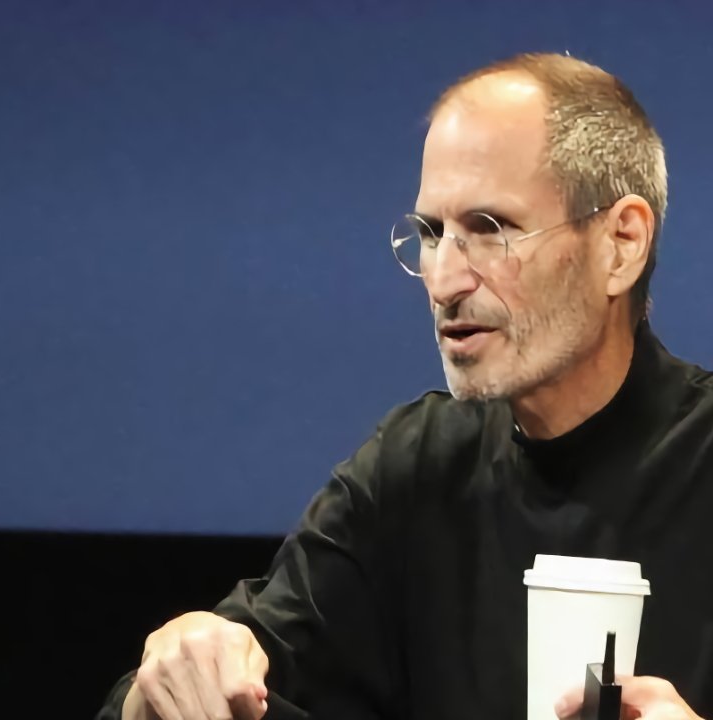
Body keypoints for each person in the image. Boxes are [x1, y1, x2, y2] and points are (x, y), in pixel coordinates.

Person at [99, 52, 712, 720]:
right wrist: (172, 677)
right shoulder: (416, 467)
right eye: (431, 233)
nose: (444, 281)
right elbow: (220, 677)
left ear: (620, 244)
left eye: (489, 229)